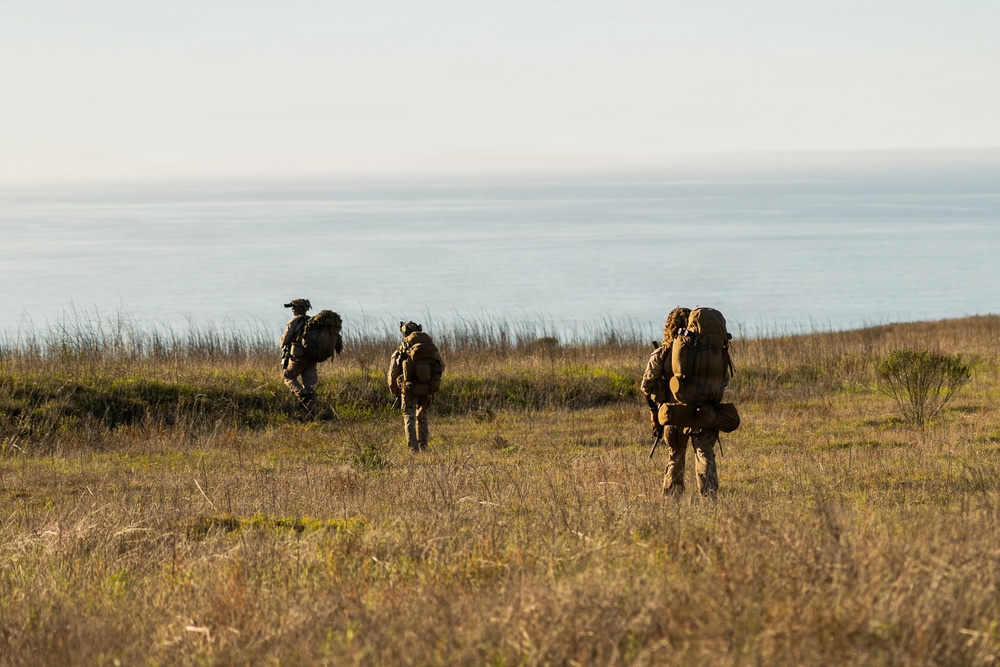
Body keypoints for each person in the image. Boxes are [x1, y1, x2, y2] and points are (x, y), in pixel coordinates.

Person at [640, 306, 720, 498]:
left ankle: (672, 501)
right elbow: (722, 378)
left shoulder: (663, 352)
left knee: (675, 455)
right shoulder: (705, 353)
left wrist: (654, 411)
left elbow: (646, 385)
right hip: (703, 411)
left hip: (674, 414)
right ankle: (709, 497)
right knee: (704, 454)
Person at [387, 321, 444, 452]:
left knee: (409, 416)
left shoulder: (403, 348)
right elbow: (441, 366)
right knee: (422, 415)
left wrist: (394, 389)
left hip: (409, 388)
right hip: (427, 386)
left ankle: (413, 449)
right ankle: (424, 446)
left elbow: (393, 371)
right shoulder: (430, 347)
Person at [280, 298, 318, 409]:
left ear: (300, 308)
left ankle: (302, 395)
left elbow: (284, 340)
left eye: (294, 307)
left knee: (288, 377)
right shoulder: (313, 322)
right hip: (312, 357)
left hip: (298, 357)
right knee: (309, 385)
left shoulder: (294, 322)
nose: (293, 310)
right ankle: (314, 410)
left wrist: (283, 344)